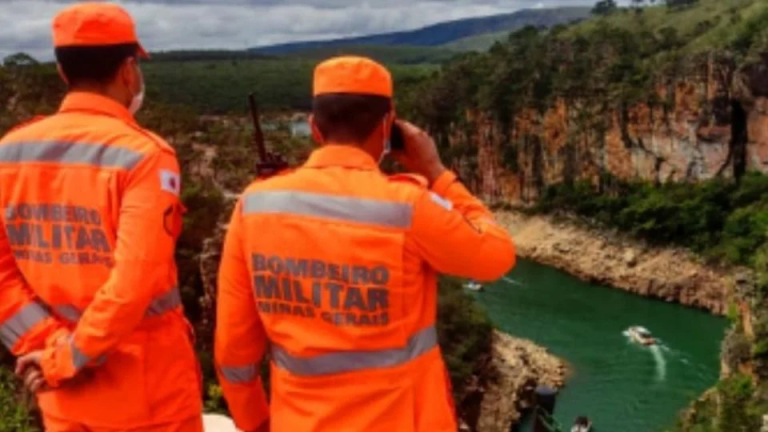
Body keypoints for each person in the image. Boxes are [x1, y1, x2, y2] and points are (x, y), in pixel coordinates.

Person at [215, 56, 516, 432]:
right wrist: (436, 173)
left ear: (314, 127)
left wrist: (256, 421)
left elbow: (234, 347)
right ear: (388, 126)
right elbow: (495, 256)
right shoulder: (407, 206)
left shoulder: (255, 204)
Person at [0, 3, 202, 431]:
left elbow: (3, 278)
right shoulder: (144, 156)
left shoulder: (9, 153)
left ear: (62, 71)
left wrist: (50, 344)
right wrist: (68, 357)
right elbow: (132, 285)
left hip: (63, 398)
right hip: (149, 397)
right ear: (128, 71)